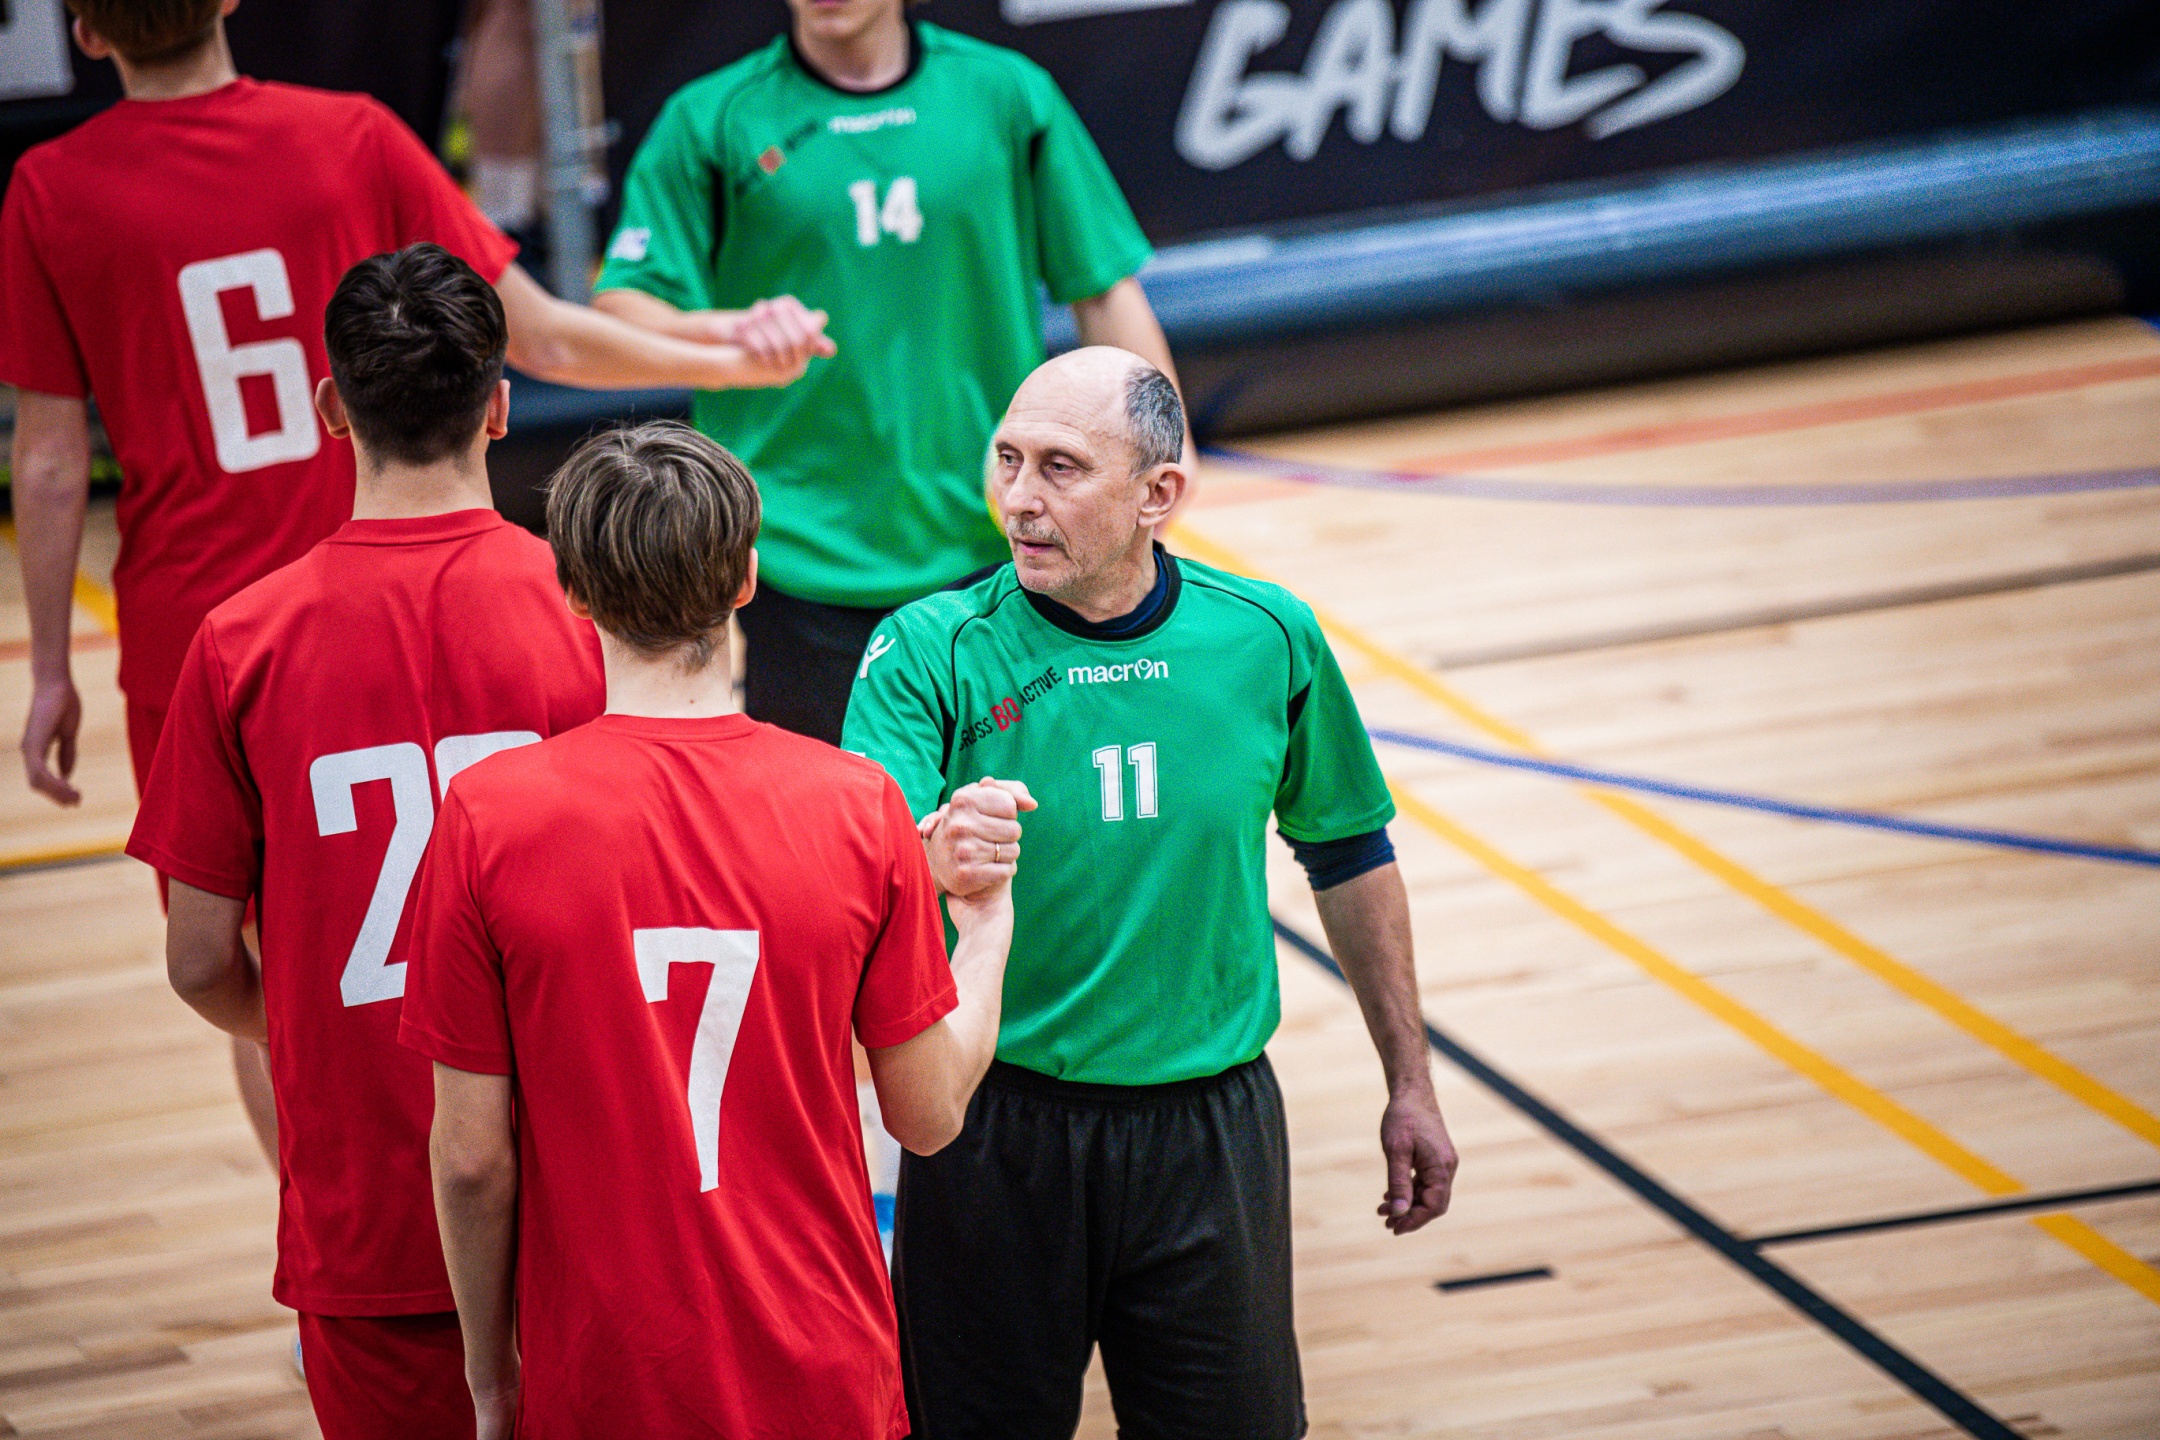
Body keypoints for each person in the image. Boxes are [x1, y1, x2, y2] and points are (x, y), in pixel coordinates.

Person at [2, 0, 827, 1160]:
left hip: (204, 630)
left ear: (84, 32)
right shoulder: (352, 137)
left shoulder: (50, 188)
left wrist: (49, 668)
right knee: (512, 919)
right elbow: (542, 336)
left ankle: (327, 1222)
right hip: (427, 589)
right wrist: (731, 351)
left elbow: (47, 460)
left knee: (280, 955)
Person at [843, 347, 1460, 1439]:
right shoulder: (926, 652)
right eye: (1007, 460)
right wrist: (929, 856)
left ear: (1157, 494)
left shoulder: (1267, 636)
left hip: (1210, 1138)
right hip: (994, 1133)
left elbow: (1350, 856)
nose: (1018, 500)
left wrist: (1410, 1081)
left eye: (1061, 468)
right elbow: (858, 877)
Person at [399, 420, 1016, 1440]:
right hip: (822, 1367)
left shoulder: (486, 815)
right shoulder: (858, 805)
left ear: (573, 591)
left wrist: (489, 1375)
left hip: (607, 1373)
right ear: (745, 580)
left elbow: (469, 1160)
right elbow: (928, 1116)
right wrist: (984, 929)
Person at [124, 244, 607, 1439]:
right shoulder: (591, 611)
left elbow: (197, 961)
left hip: (367, 1213)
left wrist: (315, 1027)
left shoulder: (240, 642)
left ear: (331, 410)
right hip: (577, 1194)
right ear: (501, 406)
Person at [592, 0, 1192, 745]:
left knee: (1014, 806)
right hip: (803, 556)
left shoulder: (1006, 94)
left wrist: (1164, 451)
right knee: (837, 814)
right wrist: (725, 328)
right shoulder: (714, 118)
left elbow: (1101, 286)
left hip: (1001, 543)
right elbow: (622, 310)